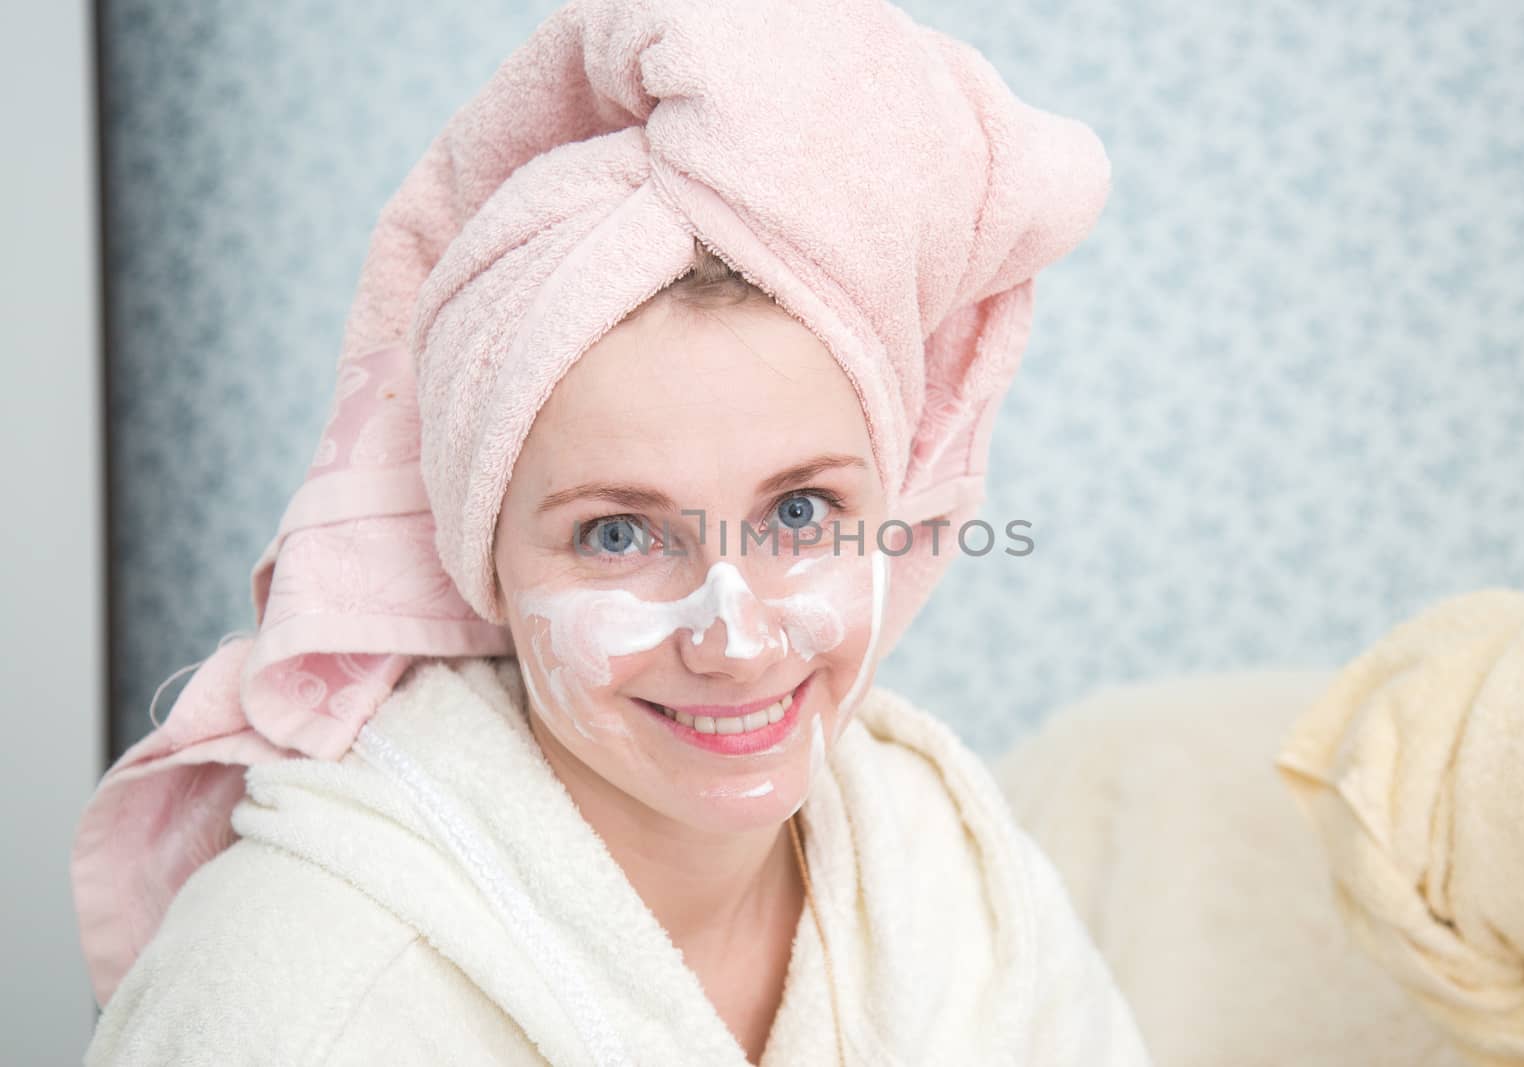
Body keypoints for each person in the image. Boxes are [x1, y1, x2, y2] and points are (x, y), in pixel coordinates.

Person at [74, 2, 1150, 1063]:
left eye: (798, 512)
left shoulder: (941, 862)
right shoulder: (295, 996)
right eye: (618, 535)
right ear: (480, 555)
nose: (734, 638)